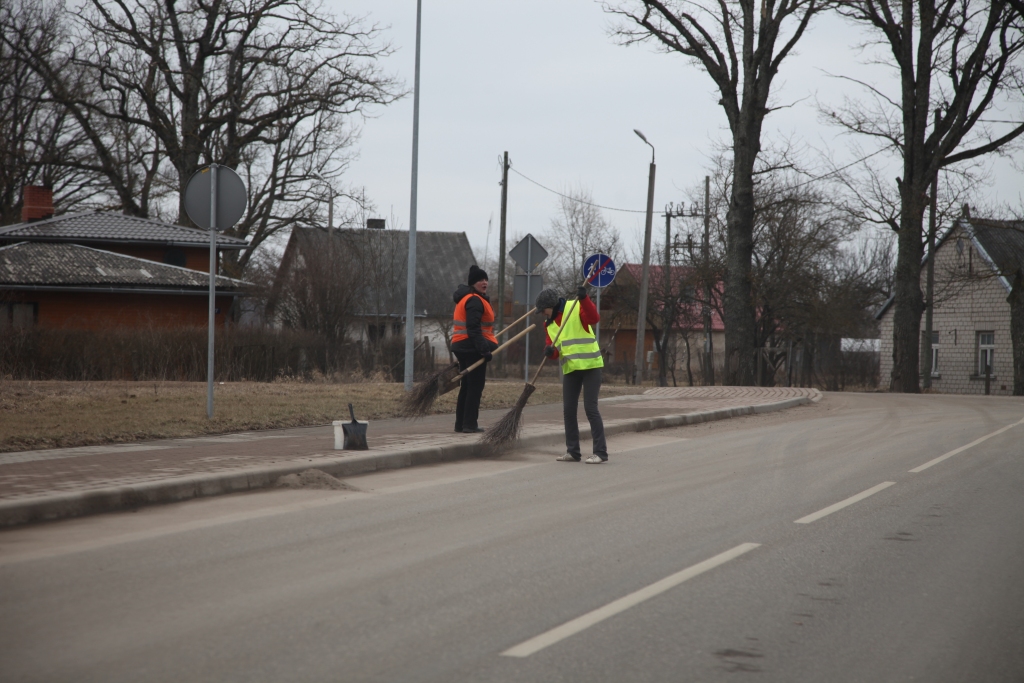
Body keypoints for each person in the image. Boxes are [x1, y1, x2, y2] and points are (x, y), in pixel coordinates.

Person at [535, 286, 607, 463]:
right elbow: (554, 350)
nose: (543, 314)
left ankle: (600, 453)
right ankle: (573, 451)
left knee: (590, 408)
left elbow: (594, 318)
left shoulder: (575, 307)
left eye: (543, 310)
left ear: (551, 306)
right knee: (568, 410)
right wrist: (549, 352)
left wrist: (585, 299)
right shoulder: (549, 325)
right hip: (571, 370)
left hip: (591, 366)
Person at [450, 265, 498, 433]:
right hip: (471, 347)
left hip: (462, 345)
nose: (484, 282)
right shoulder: (475, 300)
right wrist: (484, 350)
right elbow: (473, 328)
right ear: (473, 283)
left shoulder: (468, 298)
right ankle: (469, 424)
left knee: (466, 385)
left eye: (485, 279)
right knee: (475, 386)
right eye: (480, 280)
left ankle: (461, 424)